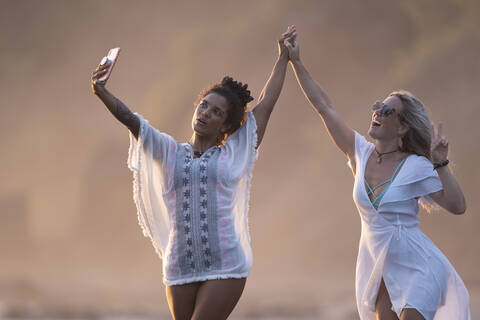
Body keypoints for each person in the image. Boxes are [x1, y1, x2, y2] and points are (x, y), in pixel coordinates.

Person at [90, 26, 295, 320]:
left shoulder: (234, 152)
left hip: (225, 263)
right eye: (204, 105)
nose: (205, 113)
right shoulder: (168, 151)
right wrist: (101, 91)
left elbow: (266, 104)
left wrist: (283, 58)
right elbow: (131, 121)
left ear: (226, 126)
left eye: (216, 112)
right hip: (180, 265)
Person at [284, 26, 470, 320]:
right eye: (378, 107)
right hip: (379, 269)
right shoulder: (359, 152)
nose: (378, 113)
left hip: (419, 266)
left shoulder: (417, 166)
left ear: (403, 127)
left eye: (387, 111)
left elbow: (458, 207)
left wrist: (441, 164)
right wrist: (296, 62)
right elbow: (324, 106)